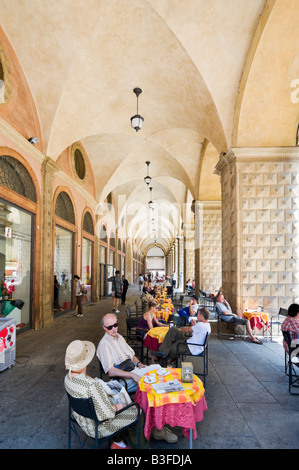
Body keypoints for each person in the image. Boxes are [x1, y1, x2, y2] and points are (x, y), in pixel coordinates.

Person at [97, 314, 178, 443]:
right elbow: (110, 371)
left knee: (158, 369)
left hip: (134, 370)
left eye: (116, 325)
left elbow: (132, 355)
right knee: (156, 383)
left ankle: (160, 417)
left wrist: (139, 364)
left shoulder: (119, 337)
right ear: (104, 328)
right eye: (110, 327)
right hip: (123, 379)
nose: (114, 329)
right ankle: (158, 428)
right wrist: (133, 375)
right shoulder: (104, 345)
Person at [64, 339, 137, 449]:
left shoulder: (67, 379)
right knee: (136, 410)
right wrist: (118, 406)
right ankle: (136, 445)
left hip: (81, 419)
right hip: (97, 428)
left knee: (112, 401)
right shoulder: (92, 386)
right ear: (85, 360)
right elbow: (107, 414)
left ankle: (119, 442)